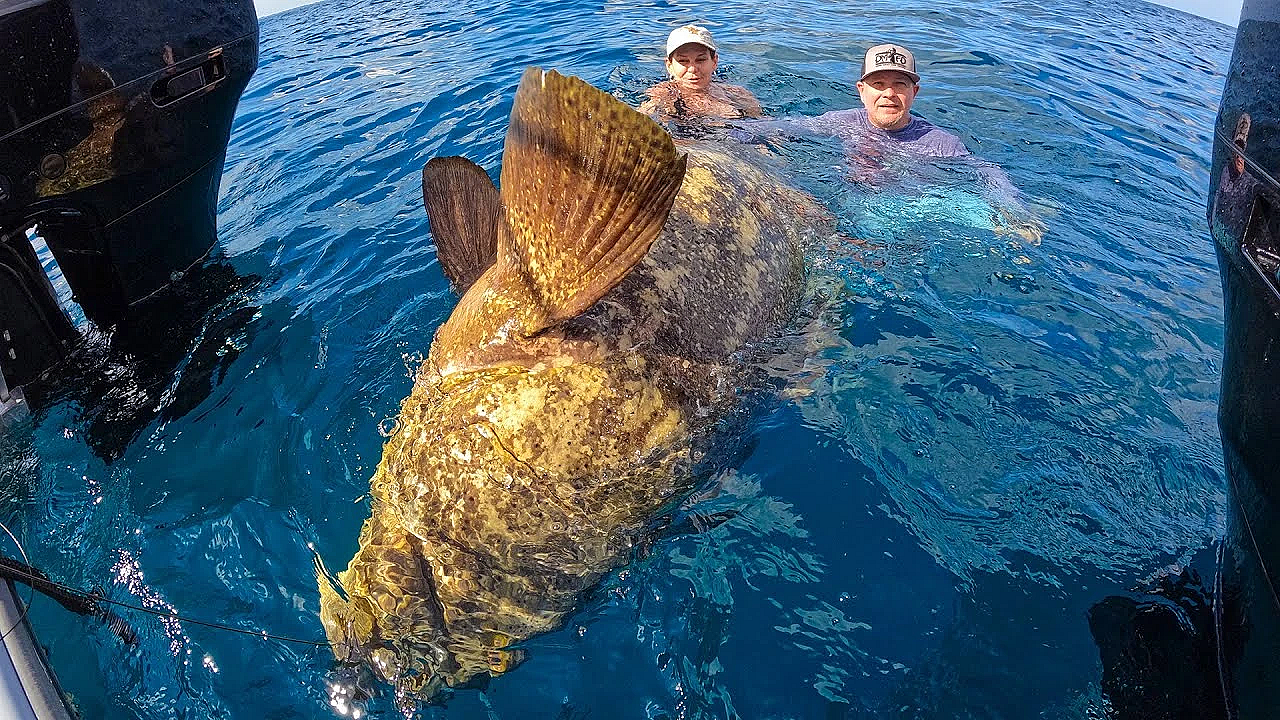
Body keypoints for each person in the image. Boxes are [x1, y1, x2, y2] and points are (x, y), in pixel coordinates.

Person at [638, 25, 763, 121]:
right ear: (669, 65)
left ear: (714, 62)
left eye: (701, 59)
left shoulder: (737, 93)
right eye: (683, 61)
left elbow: (761, 123)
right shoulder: (663, 94)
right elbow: (638, 125)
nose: (692, 69)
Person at [1212, 112, 1260, 240]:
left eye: (1241, 153)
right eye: (1236, 152)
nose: (1239, 157)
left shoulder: (1253, 185)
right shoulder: (1226, 174)